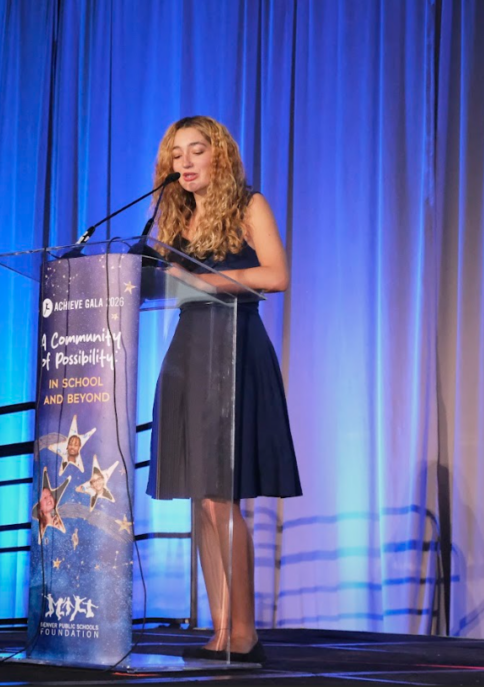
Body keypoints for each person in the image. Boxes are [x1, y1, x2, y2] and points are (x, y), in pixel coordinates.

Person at [146, 116, 302, 663]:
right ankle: (220, 629)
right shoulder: (174, 217)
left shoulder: (248, 206)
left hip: (233, 345)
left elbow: (276, 275)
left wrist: (203, 281)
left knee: (220, 496)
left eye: (195, 152)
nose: (184, 164)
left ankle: (244, 632)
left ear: (221, 157)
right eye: (175, 155)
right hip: (190, 348)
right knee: (200, 499)